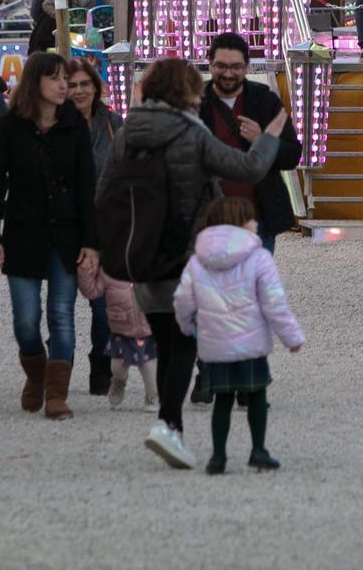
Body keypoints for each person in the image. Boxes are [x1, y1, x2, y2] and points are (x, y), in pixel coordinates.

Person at [105, 56, 285, 470]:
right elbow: (248, 168)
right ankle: (168, 425)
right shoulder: (192, 132)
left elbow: (106, 193)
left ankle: (174, 431)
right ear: (183, 92)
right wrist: (271, 135)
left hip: (142, 254)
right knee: (185, 341)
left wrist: (114, 246)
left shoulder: (127, 132)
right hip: (186, 252)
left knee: (166, 339)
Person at [0, 51, 98, 421]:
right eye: (55, 78)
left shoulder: (75, 126)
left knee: (61, 314)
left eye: (66, 77)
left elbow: (86, 186)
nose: (65, 85)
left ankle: (56, 393)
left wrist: (92, 242)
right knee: (26, 320)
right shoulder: (11, 126)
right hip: (22, 232)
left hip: (66, 234)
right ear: (36, 83)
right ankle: (36, 373)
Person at [174, 197, 304, 475]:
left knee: (222, 400)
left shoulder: (198, 260)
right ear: (240, 223)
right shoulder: (259, 258)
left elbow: (183, 300)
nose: (256, 223)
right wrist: (291, 337)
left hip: (214, 345)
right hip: (251, 343)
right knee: (256, 396)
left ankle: (218, 456)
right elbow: (274, 302)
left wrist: (188, 328)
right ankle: (259, 450)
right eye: (251, 219)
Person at [199, 33, 303, 254]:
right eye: (221, 66)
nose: (228, 74)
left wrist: (262, 141)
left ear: (247, 66)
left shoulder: (265, 101)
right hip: (207, 219)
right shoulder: (195, 103)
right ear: (209, 63)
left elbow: (293, 155)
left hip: (257, 219)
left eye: (236, 67)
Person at [68, 57, 121, 395]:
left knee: (103, 306)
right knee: (59, 305)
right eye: (71, 85)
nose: (78, 91)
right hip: (66, 226)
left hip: (107, 227)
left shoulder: (114, 124)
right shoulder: (55, 124)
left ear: (96, 86)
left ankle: (100, 361)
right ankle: (56, 366)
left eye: (84, 84)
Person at [80, 257, 157, 412]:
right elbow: (92, 291)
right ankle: (118, 382)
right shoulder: (109, 270)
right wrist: (86, 272)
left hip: (147, 327)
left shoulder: (151, 267)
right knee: (118, 365)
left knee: (149, 365)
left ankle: (152, 395)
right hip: (121, 329)